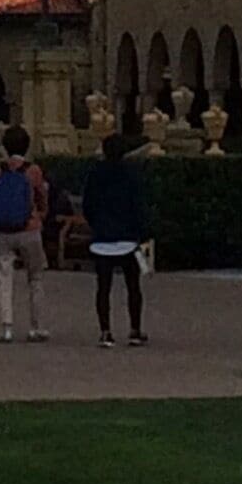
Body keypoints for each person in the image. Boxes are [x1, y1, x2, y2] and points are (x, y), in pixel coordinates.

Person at [81, 133, 151, 347]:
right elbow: (138, 206)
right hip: (127, 237)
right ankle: (134, 330)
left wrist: (96, 225)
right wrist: (141, 232)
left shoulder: (95, 173)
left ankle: (105, 331)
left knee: (103, 288)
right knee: (133, 286)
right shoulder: (131, 174)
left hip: (102, 237)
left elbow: (88, 205)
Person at [0, 125, 50, 342]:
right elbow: (42, 196)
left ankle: (6, 326)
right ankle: (36, 326)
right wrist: (40, 214)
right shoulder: (33, 171)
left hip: (2, 230)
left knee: (4, 278)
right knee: (35, 278)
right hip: (29, 229)